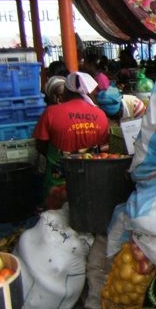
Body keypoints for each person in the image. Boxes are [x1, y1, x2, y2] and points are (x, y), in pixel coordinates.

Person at [33, 72, 110, 209]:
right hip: (90, 178)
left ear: (67, 91)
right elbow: (104, 148)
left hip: (59, 180)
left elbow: (40, 145)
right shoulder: (100, 114)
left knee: (55, 214)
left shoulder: (51, 112)